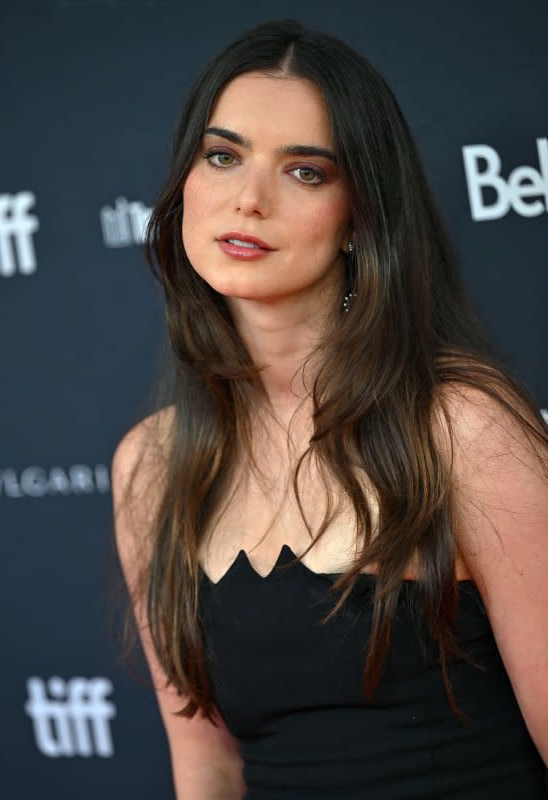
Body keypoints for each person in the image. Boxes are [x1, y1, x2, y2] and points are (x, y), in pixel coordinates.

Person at [111, 19, 548, 799]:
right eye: (222, 156)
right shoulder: (151, 466)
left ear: (360, 215)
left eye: (304, 172)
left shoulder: (461, 430)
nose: (248, 198)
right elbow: (207, 770)